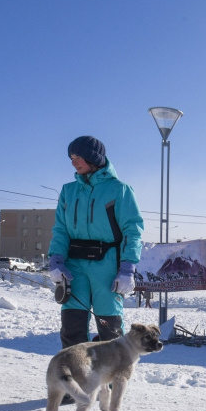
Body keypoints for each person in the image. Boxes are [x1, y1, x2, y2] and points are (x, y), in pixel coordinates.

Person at [47, 136, 144, 357]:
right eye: (71, 157)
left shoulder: (120, 190)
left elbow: (132, 230)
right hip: (74, 268)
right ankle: (74, 388)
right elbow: (60, 229)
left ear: (93, 158)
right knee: (72, 329)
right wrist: (56, 260)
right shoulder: (68, 191)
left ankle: (107, 389)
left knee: (109, 332)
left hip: (107, 266)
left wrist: (127, 267)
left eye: (78, 157)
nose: (73, 162)